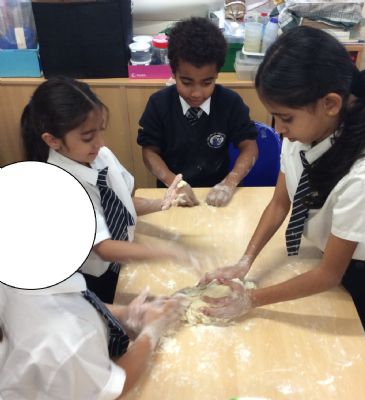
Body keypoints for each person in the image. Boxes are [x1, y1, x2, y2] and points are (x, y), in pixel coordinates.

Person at [199, 26, 365, 358]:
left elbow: (330, 274)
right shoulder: (304, 134)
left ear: (330, 104)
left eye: (286, 118)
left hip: (359, 275)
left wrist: (251, 299)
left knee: (343, 361)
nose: (279, 130)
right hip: (323, 255)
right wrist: (245, 262)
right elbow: (280, 203)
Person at [21, 77, 186, 304]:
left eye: (100, 130)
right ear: (52, 140)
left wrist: (163, 202)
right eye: (88, 137)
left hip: (122, 258)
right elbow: (104, 249)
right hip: (93, 277)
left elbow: (122, 203)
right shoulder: (58, 187)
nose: (100, 142)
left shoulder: (100, 155)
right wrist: (170, 253)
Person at [0, 273, 187, 399]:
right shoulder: (63, 342)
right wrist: (151, 331)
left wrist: (125, 314)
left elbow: (71, 301)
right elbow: (112, 388)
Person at [137, 17, 259, 207]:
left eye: (207, 83)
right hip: (173, 194)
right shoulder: (159, 104)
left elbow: (249, 146)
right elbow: (149, 152)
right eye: (186, 82)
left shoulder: (230, 103)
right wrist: (175, 183)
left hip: (217, 193)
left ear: (216, 75)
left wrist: (229, 183)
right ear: (173, 73)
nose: (196, 93)